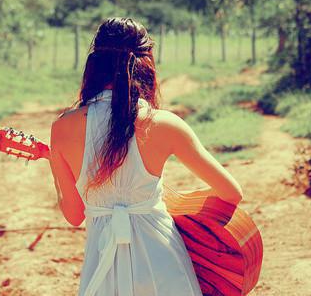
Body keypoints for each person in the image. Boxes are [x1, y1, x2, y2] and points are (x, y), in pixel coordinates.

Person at [47, 17, 244, 296]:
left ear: (94, 63)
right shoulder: (164, 123)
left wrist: (55, 163)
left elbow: (75, 214)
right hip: (163, 260)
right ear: (146, 63)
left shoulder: (62, 127)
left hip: (102, 263)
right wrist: (179, 210)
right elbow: (231, 193)